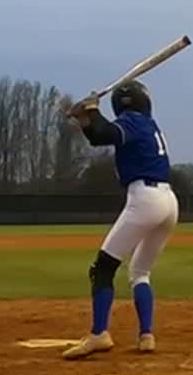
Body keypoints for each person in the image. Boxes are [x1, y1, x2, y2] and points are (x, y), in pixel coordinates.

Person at [61, 80, 178, 359]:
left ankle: (99, 333)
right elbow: (98, 135)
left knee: (102, 269)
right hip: (169, 202)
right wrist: (84, 117)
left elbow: (103, 133)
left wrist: (92, 111)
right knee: (140, 272)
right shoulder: (148, 124)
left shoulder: (133, 122)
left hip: (144, 199)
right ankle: (146, 335)